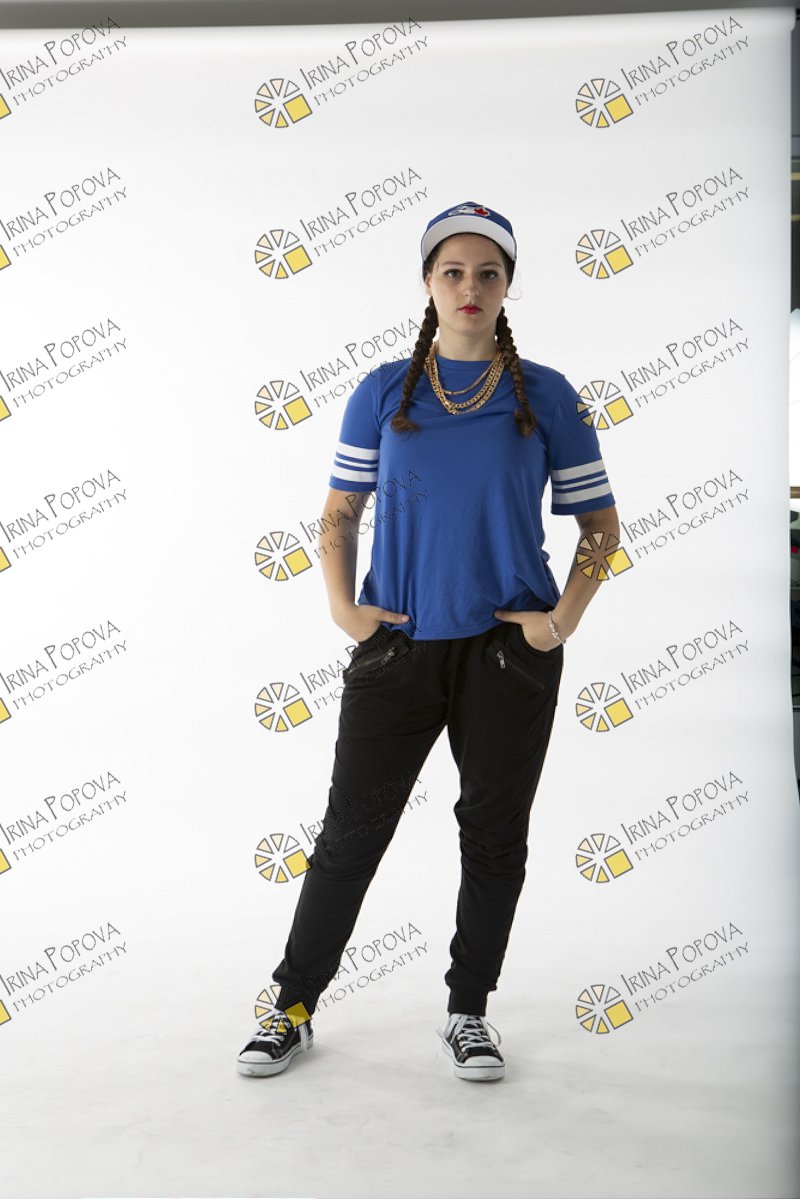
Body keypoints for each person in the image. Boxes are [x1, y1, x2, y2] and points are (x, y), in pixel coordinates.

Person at [237, 201, 619, 1082]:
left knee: (494, 836)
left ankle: (468, 1011)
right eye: (453, 271)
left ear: (508, 285)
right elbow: (339, 513)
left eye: (488, 272)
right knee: (351, 833)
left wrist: (561, 619)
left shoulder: (547, 395)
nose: (469, 286)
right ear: (427, 283)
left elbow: (600, 527)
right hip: (398, 649)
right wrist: (344, 610)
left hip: (507, 657)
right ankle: (291, 1004)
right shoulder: (384, 391)